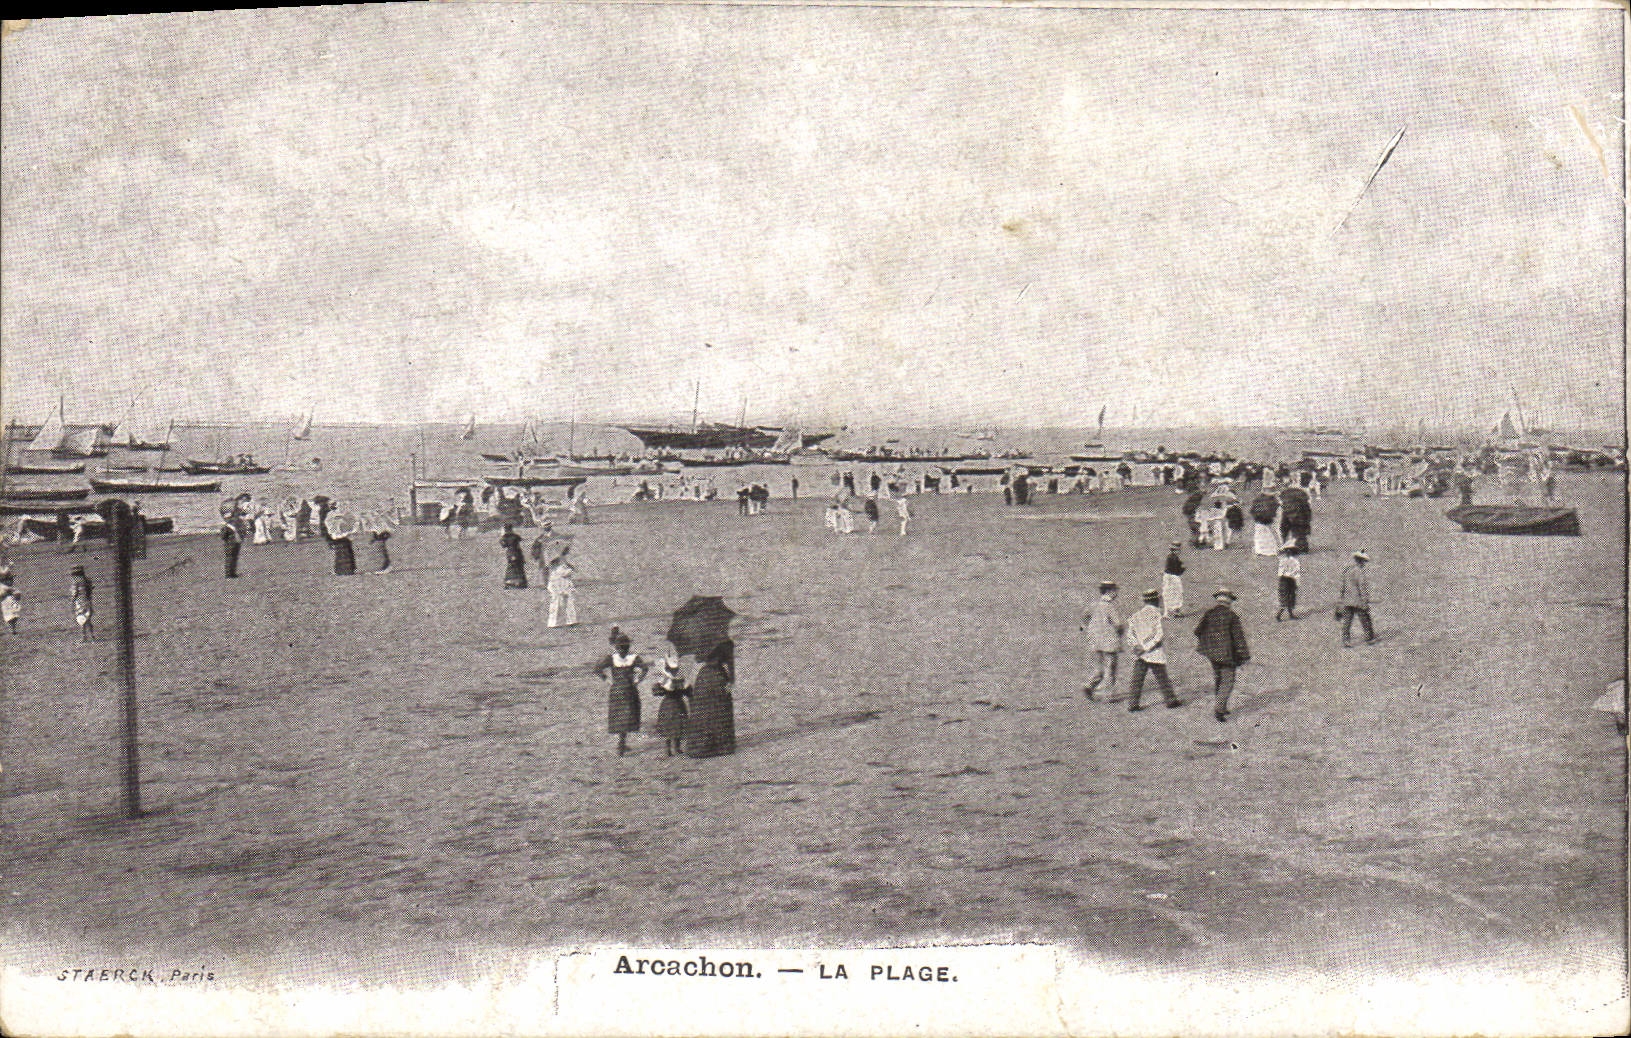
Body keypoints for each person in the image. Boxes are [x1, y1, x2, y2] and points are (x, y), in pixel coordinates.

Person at [1195, 588, 1250, 721]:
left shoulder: (1209, 614)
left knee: (1219, 679)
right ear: (1229, 602)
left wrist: (1208, 643)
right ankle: (1219, 709)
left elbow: (1197, 631)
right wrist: (1244, 655)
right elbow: (1239, 639)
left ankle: (1222, 706)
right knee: (1228, 681)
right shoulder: (1232, 616)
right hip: (1227, 655)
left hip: (1212, 654)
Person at [1125, 589, 1181, 711]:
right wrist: (1147, 647)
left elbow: (1130, 635)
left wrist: (1136, 646)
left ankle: (1132, 704)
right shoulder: (1159, 616)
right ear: (1156, 600)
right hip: (1154, 653)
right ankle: (1170, 700)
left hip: (1140, 654)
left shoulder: (1135, 616)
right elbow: (1159, 636)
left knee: (1137, 679)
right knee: (1162, 677)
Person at [596, 632, 647, 756]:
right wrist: (637, 680)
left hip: (617, 690)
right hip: (629, 690)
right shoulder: (634, 658)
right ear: (628, 646)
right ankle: (622, 742)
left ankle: (621, 742)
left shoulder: (612, 658)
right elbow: (645, 669)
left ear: (616, 647)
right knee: (628, 715)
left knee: (619, 716)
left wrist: (608, 681)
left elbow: (597, 669)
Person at [685, 639, 737, 758]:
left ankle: (702, 745)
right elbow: (730, 663)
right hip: (718, 677)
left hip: (704, 678)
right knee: (720, 710)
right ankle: (721, 745)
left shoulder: (702, 640)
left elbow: (698, 659)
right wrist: (731, 681)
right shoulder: (726, 642)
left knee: (703, 711)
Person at [1080, 581, 1124, 701]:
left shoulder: (1094, 605)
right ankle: (1108, 694)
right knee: (1110, 667)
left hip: (1095, 641)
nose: (1116, 594)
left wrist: (1086, 629)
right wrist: (1120, 633)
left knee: (1099, 667)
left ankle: (1089, 685)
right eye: (1115, 591)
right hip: (1109, 642)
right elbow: (1118, 624)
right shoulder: (1110, 607)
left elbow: (1084, 617)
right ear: (1110, 592)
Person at [651, 648, 691, 757]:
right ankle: (669, 749)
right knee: (670, 727)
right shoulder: (665, 679)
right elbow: (656, 691)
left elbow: (689, 691)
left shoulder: (681, 678)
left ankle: (676, 747)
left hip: (672, 704)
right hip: (672, 704)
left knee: (676, 726)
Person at [1339, 549, 1375, 647]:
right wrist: (1365, 601)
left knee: (1347, 620)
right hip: (1358, 600)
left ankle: (1345, 639)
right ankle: (1369, 638)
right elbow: (1362, 587)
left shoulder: (1347, 570)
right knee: (1365, 619)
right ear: (1361, 561)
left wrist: (1341, 599)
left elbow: (1342, 586)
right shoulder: (1359, 572)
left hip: (1347, 599)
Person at [547, 546, 577, 628]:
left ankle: (571, 621)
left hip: (563, 585)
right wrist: (571, 569)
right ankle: (553, 623)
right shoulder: (557, 565)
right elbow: (563, 573)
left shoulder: (562, 563)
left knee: (568, 603)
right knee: (556, 604)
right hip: (558, 586)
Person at [1276, 544, 1300, 621]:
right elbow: (1296, 574)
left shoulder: (1283, 560)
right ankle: (1287, 615)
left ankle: (1281, 615)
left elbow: (1280, 573)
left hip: (1283, 580)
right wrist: (1297, 583)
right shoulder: (1295, 562)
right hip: (1290, 580)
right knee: (1291, 597)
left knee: (1285, 598)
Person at [70, 564, 93, 642]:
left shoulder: (75, 582)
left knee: (81, 619)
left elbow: (74, 593)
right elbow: (90, 591)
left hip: (79, 602)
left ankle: (84, 637)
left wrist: (72, 600)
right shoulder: (87, 580)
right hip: (87, 601)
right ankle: (92, 636)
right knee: (88, 619)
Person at [500, 524, 527, 589]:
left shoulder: (505, 537)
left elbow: (503, 546)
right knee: (518, 567)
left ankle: (511, 584)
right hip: (517, 553)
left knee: (512, 568)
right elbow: (520, 539)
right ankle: (520, 583)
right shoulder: (515, 536)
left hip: (511, 553)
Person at [1161, 542, 1185, 617]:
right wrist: (1183, 568)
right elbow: (1177, 570)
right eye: (1178, 550)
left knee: (1167, 593)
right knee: (1177, 593)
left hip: (1167, 576)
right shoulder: (1175, 558)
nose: (1180, 551)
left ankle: (1167, 612)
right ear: (1175, 550)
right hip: (1174, 577)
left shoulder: (1169, 557)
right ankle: (1176, 611)